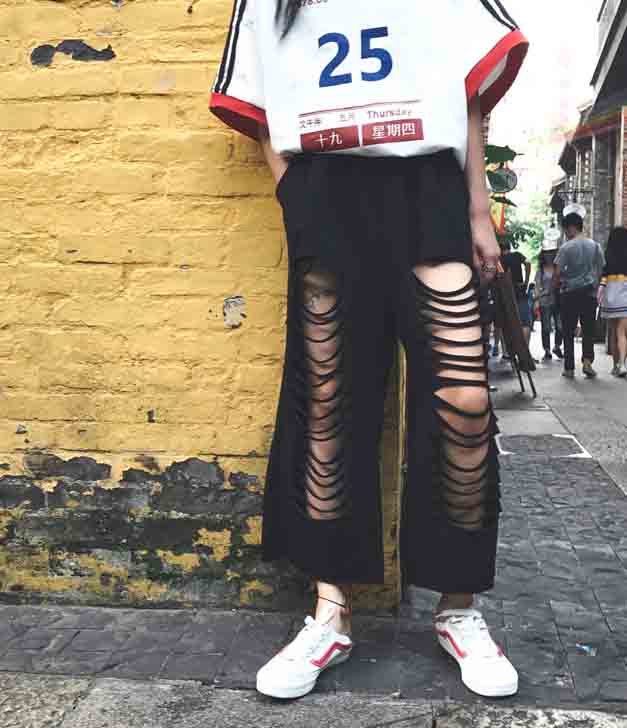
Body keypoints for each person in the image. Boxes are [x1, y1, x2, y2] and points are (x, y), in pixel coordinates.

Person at [211, 0, 528, 700]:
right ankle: (331, 612)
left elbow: (469, 93)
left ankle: (458, 606)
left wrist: (478, 210)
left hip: (429, 188)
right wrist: (295, 192)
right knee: (327, 402)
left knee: (464, 402)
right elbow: (258, 96)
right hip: (326, 190)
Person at [553, 204, 605, 379]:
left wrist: (555, 289)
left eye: (566, 229)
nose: (566, 233)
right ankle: (587, 362)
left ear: (571, 228)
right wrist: (595, 285)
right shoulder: (595, 246)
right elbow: (601, 269)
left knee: (568, 332)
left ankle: (569, 368)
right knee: (588, 330)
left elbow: (557, 273)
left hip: (569, 294)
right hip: (589, 294)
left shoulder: (566, 248)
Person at [598, 227, 627, 377]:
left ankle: (616, 366)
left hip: (610, 295)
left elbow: (603, 276)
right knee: (622, 333)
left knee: (614, 334)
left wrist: (600, 291)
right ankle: (622, 364)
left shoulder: (607, 255)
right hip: (625, 294)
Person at [534, 231, 563, 361]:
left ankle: (557, 346)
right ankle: (546, 349)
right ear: (543, 255)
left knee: (560, 326)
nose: (549, 255)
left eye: (551, 253)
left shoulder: (559, 268)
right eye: (547, 253)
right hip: (545, 301)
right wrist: (537, 300)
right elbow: (537, 286)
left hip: (558, 300)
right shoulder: (540, 271)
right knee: (546, 327)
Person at [501, 241, 532, 346]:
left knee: (508, 323)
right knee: (525, 322)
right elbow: (528, 263)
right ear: (509, 248)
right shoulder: (517, 255)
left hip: (507, 293)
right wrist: (526, 281)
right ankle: (525, 348)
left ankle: (510, 350)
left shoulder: (500, 259)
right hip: (520, 290)